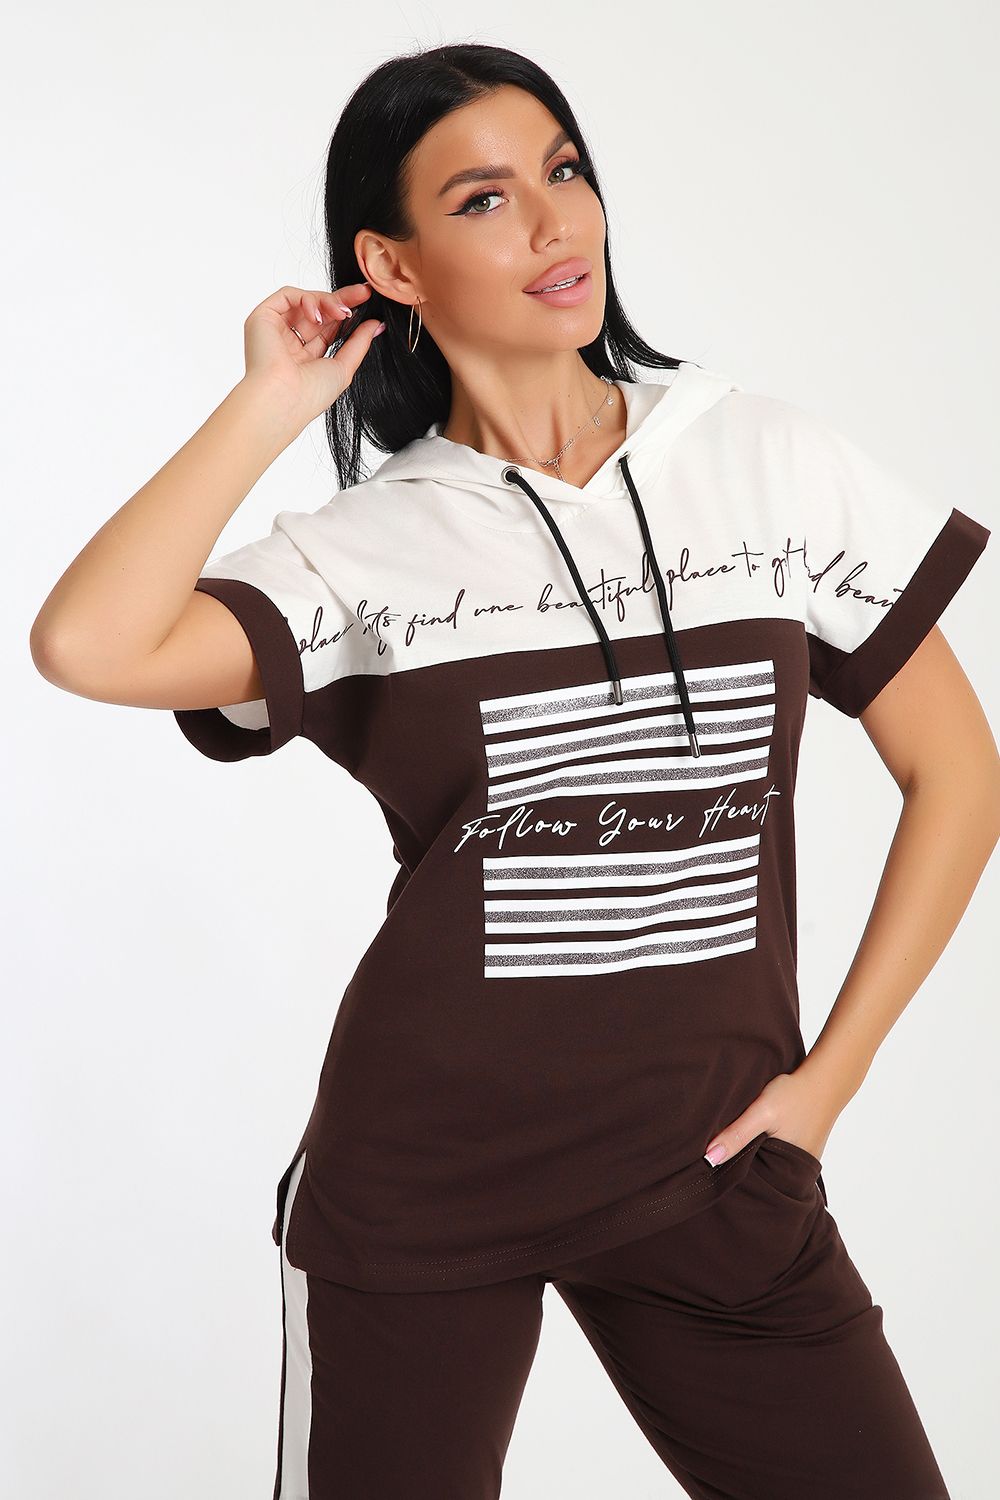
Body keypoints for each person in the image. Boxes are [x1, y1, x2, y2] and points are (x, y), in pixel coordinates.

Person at [30, 41, 998, 1500]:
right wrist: (271, 405)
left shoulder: (768, 465)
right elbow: (87, 645)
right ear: (391, 265)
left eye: (565, 171)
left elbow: (961, 775)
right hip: (421, 1189)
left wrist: (828, 1085)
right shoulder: (363, 552)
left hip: (718, 1172)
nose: (556, 223)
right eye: (483, 200)